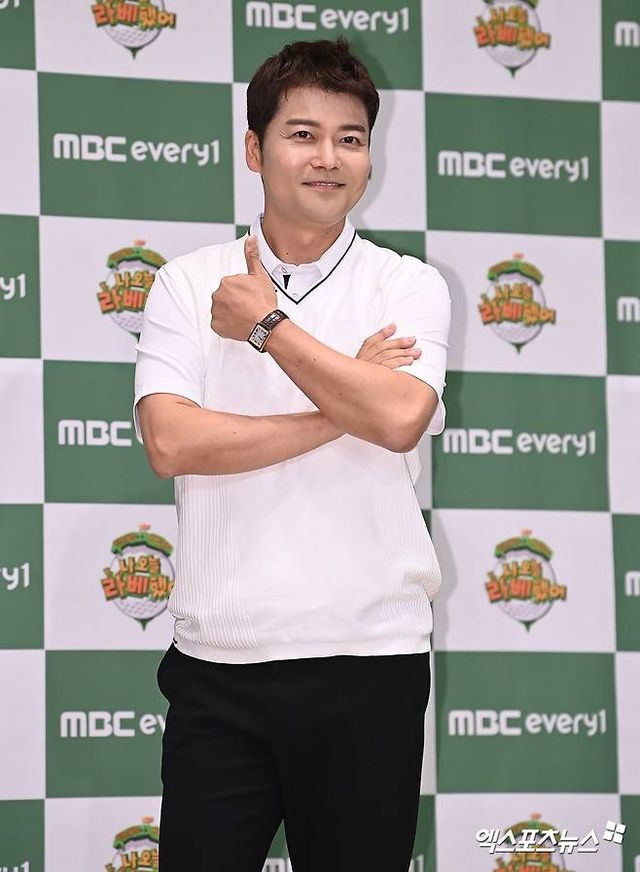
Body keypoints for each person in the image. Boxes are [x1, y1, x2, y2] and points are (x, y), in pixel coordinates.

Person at [133, 37, 450, 872]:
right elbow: (171, 442)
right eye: (302, 134)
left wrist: (267, 327)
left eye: (351, 138)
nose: (329, 158)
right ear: (254, 148)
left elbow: (400, 418)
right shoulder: (187, 282)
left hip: (369, 664)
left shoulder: (407, 285)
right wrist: (344, 405)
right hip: (217, 668)